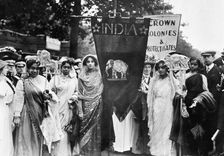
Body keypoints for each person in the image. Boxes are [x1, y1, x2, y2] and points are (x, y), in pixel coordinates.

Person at [12, 59, 58, 156]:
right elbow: (18, 99)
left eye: (37, 69)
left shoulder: (43, 80)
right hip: (27, 113)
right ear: (27, 69)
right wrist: (17, 115)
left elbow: (51, 94)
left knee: (39, 137)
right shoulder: (22, 82)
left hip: (41, 112)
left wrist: (48, 96)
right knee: (27, 137)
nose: (35, 71)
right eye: (32, 68)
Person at [147, 60, 180, 156]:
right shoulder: (154, 80)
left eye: (163, 67)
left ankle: (166, 152)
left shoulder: (172, 81)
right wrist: (151, 108)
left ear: (167, 69)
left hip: (168, 107)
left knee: (167, 129)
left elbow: (178, 92)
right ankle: (156, 151)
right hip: (156, 106)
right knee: (157, 128)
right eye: (159, 68)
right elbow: (150, 96)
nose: (160, 70)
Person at [50, 60, 79, 156]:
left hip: (69, 106)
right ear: (61, 68)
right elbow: (50, 91)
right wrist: (54, 98)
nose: (66, 69)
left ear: (70, 69)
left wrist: (73, 98)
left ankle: (66, 152)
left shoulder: (74, 80)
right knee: (57, 126)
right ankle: (56, 151)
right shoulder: (55, 79)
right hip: (57, 105)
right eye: (64, 67)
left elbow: (77, 91)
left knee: (67, 128)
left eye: (68, 67)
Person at [182, 57, 209, 155]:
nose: (192, 66)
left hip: (198, 104)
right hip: (187, 102)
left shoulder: (202, 76)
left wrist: (199, 101)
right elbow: (183, 89)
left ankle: (200, 150)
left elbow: (206, 90)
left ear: (198, 65)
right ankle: (191, 149)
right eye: (191, 64)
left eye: (195, 64)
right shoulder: (185, 75)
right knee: (188, 127)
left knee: (199, 128)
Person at [78, 54, 103, 156]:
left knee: (96, 128)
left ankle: (95, 152)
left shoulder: (100, 76)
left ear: (95, 63)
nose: (90, 64)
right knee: (84, 128)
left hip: (97, 104)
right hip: (85, 105)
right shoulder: (81, 77)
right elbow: (79, 94)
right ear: (85, 64)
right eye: (88, 62)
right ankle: (84, 152)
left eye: (92, 61)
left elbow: (103, 90)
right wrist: (80, 110)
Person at [201, 51, 222, 154]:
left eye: (208, 57)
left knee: (212, 127)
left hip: (214, 105)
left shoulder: (218, 71)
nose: (205, 59)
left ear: (213, 57)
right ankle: (204, 149)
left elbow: (217, 90)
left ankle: (214, 150)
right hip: (202, 104)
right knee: (203, 128)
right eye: (204, 57)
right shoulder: (201, 71)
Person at [0, 60, 14, 156]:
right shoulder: (2, 83)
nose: (7, 70)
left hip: (6, 110)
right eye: (5, 68)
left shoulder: (5, 80)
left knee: (6, 134)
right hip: (2, 110)